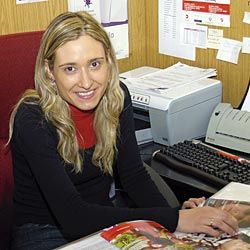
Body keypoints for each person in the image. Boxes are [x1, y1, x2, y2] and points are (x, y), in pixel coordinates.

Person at [8, 11, 238, 250]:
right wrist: (176, 218)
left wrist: (176, 218)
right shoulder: (33, 118)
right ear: (49, 71)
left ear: (108, 60)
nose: (86, 82)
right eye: (70, 69)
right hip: (45, 232)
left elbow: (133, 176)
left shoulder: (117, 97)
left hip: (103, 220)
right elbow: (73, 216)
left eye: (94, 64)